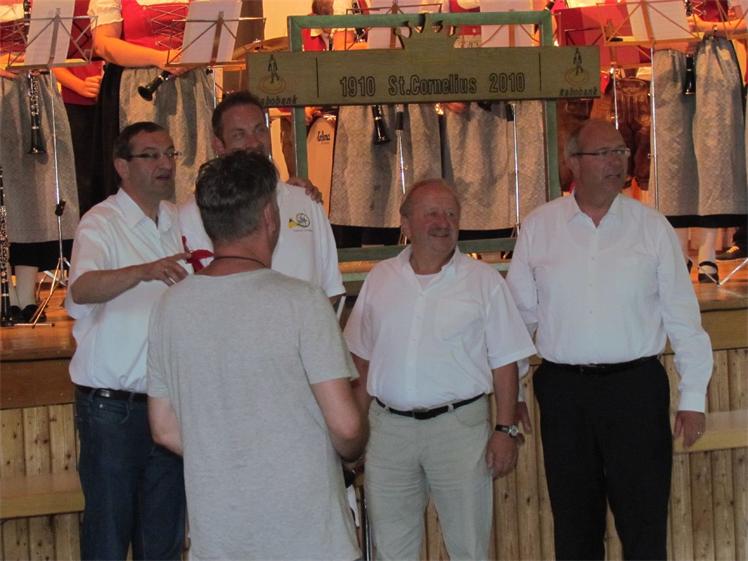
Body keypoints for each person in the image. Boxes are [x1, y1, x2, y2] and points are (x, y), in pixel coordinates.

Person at [506, 120, 713, 561]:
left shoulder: (652, 227)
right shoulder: (540, 227)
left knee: (644, 524)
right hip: (564, 393)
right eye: (604, 153)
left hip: (636, 391)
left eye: (620, 152)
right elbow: (518, 321)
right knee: (574, 525)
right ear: (573, 163)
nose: (616, 162)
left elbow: (684, 318)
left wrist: (693, 397)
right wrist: (514, 391)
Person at [147, 150, 367, 561]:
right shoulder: (303, 301)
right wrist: (354, 449)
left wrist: (230, 458)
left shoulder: (170, 306)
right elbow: (347, 426)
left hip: (221, 536)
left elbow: (163, 428)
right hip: (308, 538)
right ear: (269, 216)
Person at [345, 178, 536, 560]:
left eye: (451, 214)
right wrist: (355, 433)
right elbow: (363, 362)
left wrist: (505, 430)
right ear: (405, 223)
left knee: (468, 548)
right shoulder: (380, 279)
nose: (443, 222)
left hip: (459, 431)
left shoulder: (484, 282)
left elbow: (505, 362)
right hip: (388, 432)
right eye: (432, 213)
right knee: (391, 550)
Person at [66, 121, 189, 560]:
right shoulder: (100, 222)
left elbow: (234, 204)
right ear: (122, 166)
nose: (164, 163)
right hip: (113, 411)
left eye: (170, 153)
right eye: (151, 155)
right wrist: (143, 271)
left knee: (164, 541)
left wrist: (293, 190)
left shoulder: (180, 218)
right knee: (108, 539)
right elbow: (82, 288)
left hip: (170, 405)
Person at [179, 90, 344, 301]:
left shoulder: (306, 202)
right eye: (239, 135)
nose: (254, 142)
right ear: (219, 145)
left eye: (260, 130)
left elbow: (331, 290)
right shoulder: (192, 215)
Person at [88, 0, 214, 204]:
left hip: (189, 87)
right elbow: (103, 44)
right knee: (146, 162)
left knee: (193, 168)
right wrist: (159, 57)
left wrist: (193, 56)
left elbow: (214, 38)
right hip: (139, 91)